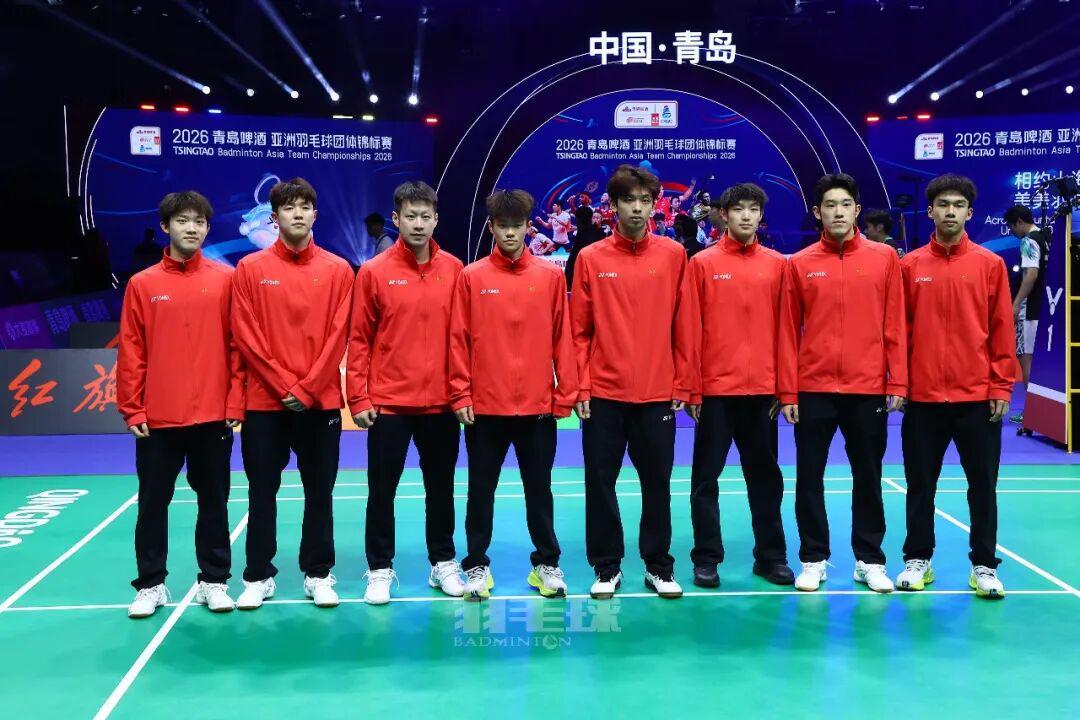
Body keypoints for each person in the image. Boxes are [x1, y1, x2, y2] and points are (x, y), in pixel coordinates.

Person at [117, 191, 245, 618]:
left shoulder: (226, 280)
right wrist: (133, 407)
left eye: (199, 222)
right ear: (165, 226)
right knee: (153, 504)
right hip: (158, 418)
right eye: (183, 220)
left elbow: (237, 348)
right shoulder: (143, 284)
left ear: (208, 228)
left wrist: (235, 402)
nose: (192, 228)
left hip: (213, 415)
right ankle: (151, 584)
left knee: (214, 503)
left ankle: (214, 581)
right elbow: (132, 350)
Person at [778, 173, 907, 594]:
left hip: (867, 388)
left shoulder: (884, 259)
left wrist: (898, 381)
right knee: (809, 477)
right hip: (813, 389)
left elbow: (895, 324)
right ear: (818, 212)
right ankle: (813, 558)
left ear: (857, 210)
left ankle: (870, 559)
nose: (838, 212)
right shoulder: (799, 263)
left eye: (845, 204)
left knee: (868, 476)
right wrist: (789, 390)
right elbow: (787, 332)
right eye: (830, 205)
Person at [571, 164, 694, 600]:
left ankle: (659, 566)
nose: (638, 208)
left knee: (657, 486)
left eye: (645, 200)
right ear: (614, 205)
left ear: (655, 205)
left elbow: (685, 323)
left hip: (658, 394)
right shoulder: (591, 258)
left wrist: (683, 383)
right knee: (600, 484)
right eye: (629, 200)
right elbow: (579, 331)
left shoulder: (674, 255)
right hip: (604, 395)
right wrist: (580, 386)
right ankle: (606, 567)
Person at [449, 189, 579, 601]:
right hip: (485, 409)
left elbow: (563, 338)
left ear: (527, 227)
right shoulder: (471, 277)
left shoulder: (550, 277)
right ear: (491, 227)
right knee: (480, 491)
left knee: (539, 490)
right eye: (503, 226)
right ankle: (476, 566)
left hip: (538, 408)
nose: (510, 233)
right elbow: (457, 340)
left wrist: (566, 392)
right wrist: (460, 393)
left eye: (517, 226)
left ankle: (546, 564)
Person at [230, 177, 354, 610]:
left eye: (304, 207)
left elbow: (339, 335)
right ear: (274, 217)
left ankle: (318, 573)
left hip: (320, 403)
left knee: (320, 492)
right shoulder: (250, 269)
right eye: (288, 207)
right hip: (265, 404)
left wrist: (308, 387)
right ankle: (258, 575)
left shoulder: (339, 270)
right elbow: (246, 335)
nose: (297, 214)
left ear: (315, 214)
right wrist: (286, 386)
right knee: (262, 492)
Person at [347, 180, 467, 605]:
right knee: (382, 491)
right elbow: (359, 338)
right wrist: (358, 396)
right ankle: (380, 569)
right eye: (410, 216)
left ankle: (443, 562)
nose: (418, 224)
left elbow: (463, 337)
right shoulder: (374, 271)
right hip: (389, 405)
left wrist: (462, 393)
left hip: (441, 404)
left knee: (441, 488)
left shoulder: (455, 269)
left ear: (436, 220)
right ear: (396, 219)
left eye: (425, 216)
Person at [897, 174, 1013, 599]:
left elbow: (1001, 329)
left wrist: (1001, 386)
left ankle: (984, 565)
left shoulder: (989, 265)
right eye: (943, 204)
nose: (950, 211)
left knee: (982, 487)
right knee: (920, 485)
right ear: (930, 211)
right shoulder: (909, 267)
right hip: (923, 399)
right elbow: (899, 332)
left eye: (958, 205)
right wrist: (900, 383)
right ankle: (918, 560)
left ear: (969, 212)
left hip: (976, 398)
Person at [684, 183, 793, 588]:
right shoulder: (702, 264)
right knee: (705, 480)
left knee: (766, 480)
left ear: (760, 216)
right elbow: (690, 330)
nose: (746, 216)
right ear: (724, 215)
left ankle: (771, 557)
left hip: (763, 394)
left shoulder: (778, 265)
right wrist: (692, 387)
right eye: (738, 209)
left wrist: (785, 389)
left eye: (753, 209)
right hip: (715, 392)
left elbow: (787, 331)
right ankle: (706, 558)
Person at [1004, 204, 1048, 424]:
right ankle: (1044, 410)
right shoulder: (1046, 238)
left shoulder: (1028, 241)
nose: (1012, 232)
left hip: (1029, 311)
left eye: (1012, 227)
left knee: (1026, 358)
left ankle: (1032, 412)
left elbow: (1031, 274)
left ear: (1019, 222)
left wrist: (1016, 303)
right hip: (1047, 308)